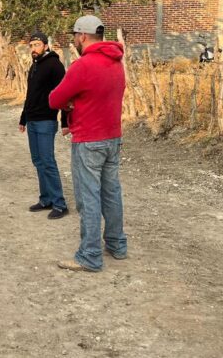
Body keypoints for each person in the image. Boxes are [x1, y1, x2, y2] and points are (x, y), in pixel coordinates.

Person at [49, 15, 127, 272]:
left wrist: (72, 103)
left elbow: (55, 99)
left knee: (88, 197)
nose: (75, 40)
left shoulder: (83, 65)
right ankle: (116, 244)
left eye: (75, 36)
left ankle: (90, 255)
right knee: (111, 192)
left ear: (82, 36)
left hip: (88, 139)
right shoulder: (116, 62)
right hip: (112, 137)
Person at [19, 30, 70, 220]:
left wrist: (65, 121)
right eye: (31, 46)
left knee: (48, 162)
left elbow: (64, 94)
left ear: (46, 46)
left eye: (37, 45)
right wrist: (23, 118)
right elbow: (30, 95)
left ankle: (59, 203)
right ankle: (45, 198)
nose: (33, 48)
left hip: (46, 121)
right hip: (32, 120)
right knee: (38, 161)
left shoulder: (54, 65)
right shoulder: (35, 66)